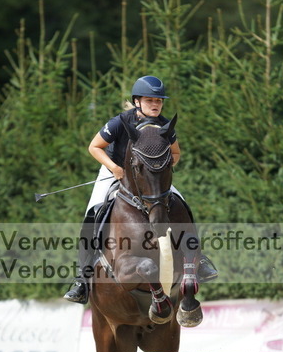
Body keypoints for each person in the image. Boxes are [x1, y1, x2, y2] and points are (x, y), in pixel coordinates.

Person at [64, 75, 217, 304]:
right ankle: (82, 280)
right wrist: (115, 168)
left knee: (182, 203)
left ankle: (199, 260)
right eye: (150, 100)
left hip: (149, 176)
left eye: (159, 101)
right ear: (137, 101)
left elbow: (176, 153)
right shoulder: (120, 122)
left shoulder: (165, 125)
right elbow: (94, 147)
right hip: (115, 170)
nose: (156, 104)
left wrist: (162, 169)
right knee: (92, 213)